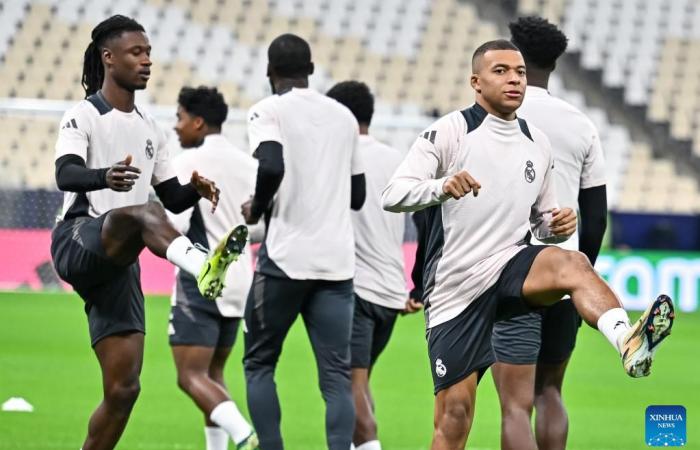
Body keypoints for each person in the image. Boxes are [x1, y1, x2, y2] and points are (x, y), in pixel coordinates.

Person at [381, 39, 674, 450]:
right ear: (476, 82)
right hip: (456, 287)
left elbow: (542, 221)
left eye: (518, 71)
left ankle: (628, 340)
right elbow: (392, 194)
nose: (514, 79)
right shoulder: (449, 130)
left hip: (511, 266)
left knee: (571, 263)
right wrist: (442, 186)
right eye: (500, 70)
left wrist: (557, 225)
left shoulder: (536, 140)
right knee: (455, 417)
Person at [50, 16, 245, 450]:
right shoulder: (82, 115)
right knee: (140, 214)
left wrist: (194, 189)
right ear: (108, 57)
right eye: (136, 53)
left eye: (149, 53)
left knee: (124, 391)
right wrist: (104, 176)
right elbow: (66, 173)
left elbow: (171, 199)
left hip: (119, 262)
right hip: (79, 239)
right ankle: (202, 266)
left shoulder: (150, 128)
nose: (147, 61)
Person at [241, 34, 366, 450]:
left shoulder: (267, 110)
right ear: (311, 70)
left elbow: (271, 163)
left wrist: (258, 208)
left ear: (269, 72)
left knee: (259, 363)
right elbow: (359, 196)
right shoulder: (344, 117)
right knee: (335, 375)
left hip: (286, 259)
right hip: (336, 264)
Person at [489, 16, 609, 450]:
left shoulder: (493, 113)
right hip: (563, 274)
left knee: (514, 404)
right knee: (550, 392)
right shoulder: (580, 124)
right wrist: (580, 278)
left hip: (507, 274)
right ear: (555, 65)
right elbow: (595, 217)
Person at [326, 81, 422, 450]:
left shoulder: (339, 157)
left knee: (351, 384)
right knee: (360, 383)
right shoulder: (396, 159)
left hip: (357, 290)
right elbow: (426, 222)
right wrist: (416, 285)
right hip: (391, 293)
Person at [168, 86, 259, 450]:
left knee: (189, 376)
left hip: (202, 277)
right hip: (241, 280)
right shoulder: (249, 165)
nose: (176, 127)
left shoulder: (188, 163)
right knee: (214, 373)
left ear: (198, 121)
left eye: (180, 118)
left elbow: (173, 227)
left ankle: (243, 434)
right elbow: (259, 227)